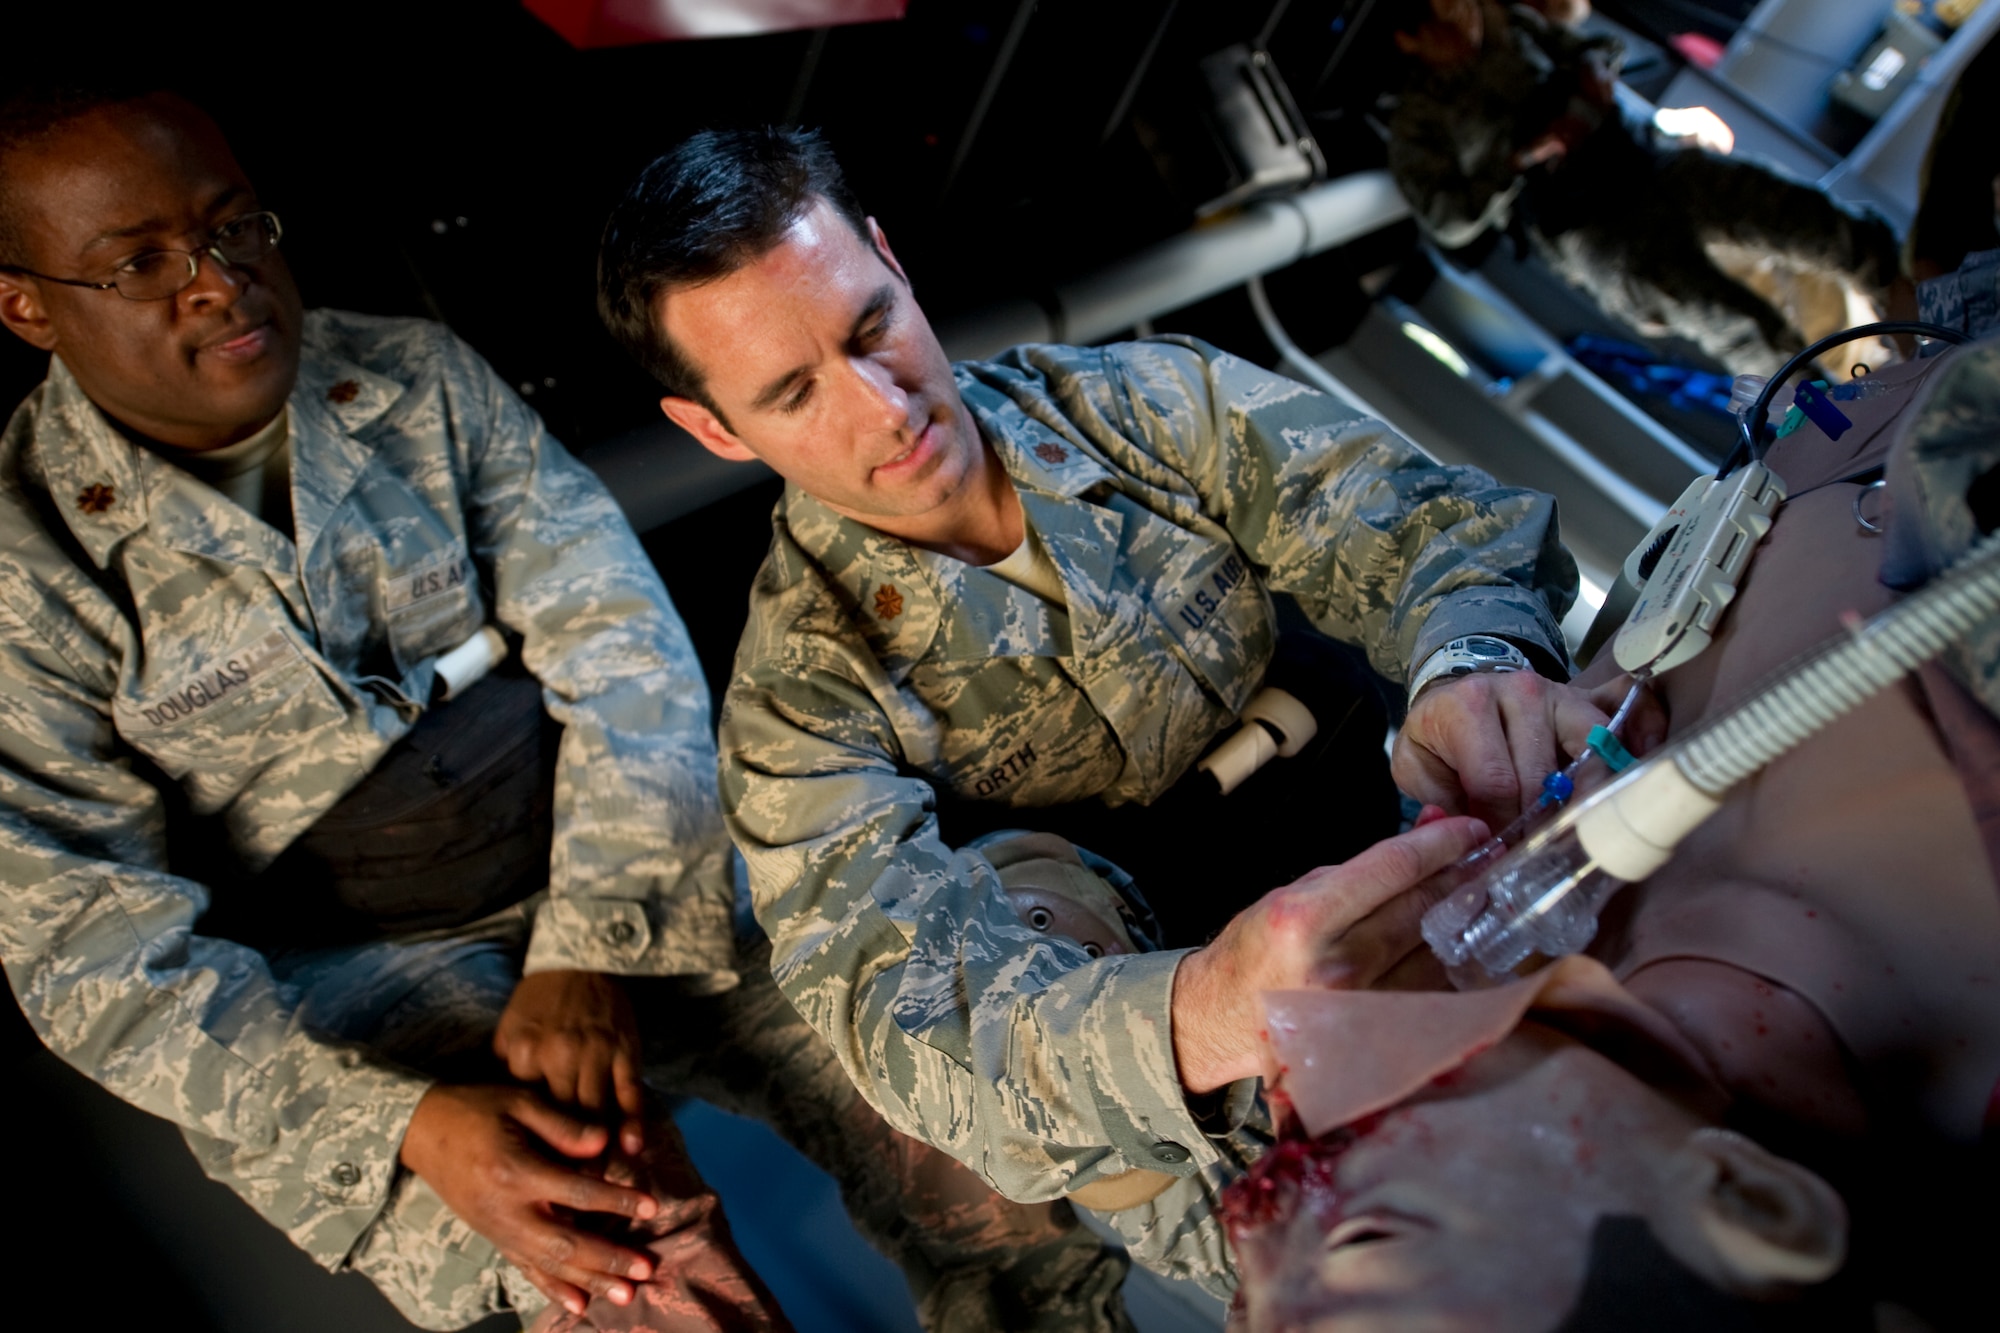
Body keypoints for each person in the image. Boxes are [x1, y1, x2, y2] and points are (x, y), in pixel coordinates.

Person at [0, 87, 1129, 1332]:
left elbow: (618, 633)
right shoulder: (26, 576)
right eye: (139, 263)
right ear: (28, 305)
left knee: (956, 1112)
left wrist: (594, 938)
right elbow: (85, 951)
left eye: (234, 228)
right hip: (369, 968)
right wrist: (414, 1126)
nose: (216, 283)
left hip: (630, 844)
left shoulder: (409, 381)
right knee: (619, 1277)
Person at [595, 126, 1651, 1293]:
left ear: (891, 262)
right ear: (712, 430)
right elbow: (911, 1019)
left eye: (869, 330)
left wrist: (1471, 662)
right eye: (794, 394)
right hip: (1196, 1009)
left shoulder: (1139, 403)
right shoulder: (796, 703)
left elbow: (1420, 524)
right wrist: (1195, 1017)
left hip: (1422, 813)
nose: (881, 410)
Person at [1225, 332, 2000, 1330]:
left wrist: (1483, 677)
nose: (1247, 1216)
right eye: (1364, 1235)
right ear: (1749, 1202)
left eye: (1237, 1311)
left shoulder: (1525, 899)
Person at [1386, 0, 1904, 377]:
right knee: (1746, 333)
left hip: (1643, 159)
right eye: (1444, 15)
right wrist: (1525, 156)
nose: (1463, 15)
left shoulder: (1510, 25)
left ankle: (1924, 304)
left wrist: (1592, 74)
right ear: (1409, 39)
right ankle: (1837, 440)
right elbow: (1448, 219)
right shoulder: (1418, 121)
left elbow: (1596, 46)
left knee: (1808, 219)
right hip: (1595, 229)